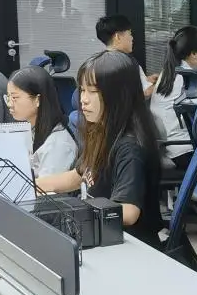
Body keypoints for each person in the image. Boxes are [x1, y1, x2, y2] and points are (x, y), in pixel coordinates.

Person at [36, 51, 163, 247]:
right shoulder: (102, 131)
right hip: (100, 233)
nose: (83, 100)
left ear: (119, 96)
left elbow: (128, 212)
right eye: (82, 90)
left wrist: (73, 210)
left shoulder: (129, 146)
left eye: (93, 91)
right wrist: (30, 186)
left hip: (127, 244)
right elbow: (77, 176)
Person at [7, 67, 78, 177]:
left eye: (15, 98)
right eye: (8, 97)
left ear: (37, 100)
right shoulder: (31, 129)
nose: (9, 104)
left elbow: (48, 188)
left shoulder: (58, 146)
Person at [151, 26, 197, 159]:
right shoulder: (189, 78)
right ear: (194, 54)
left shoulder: (170, 73)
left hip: (170, 147)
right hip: (185, 150)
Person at [96, 14, 155, 97]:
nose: (132, 38)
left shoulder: (97, 63)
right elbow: (145, 92)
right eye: (129, 34)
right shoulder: (128, 64)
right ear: (117, 37)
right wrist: (161, 83)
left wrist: (146, 80)